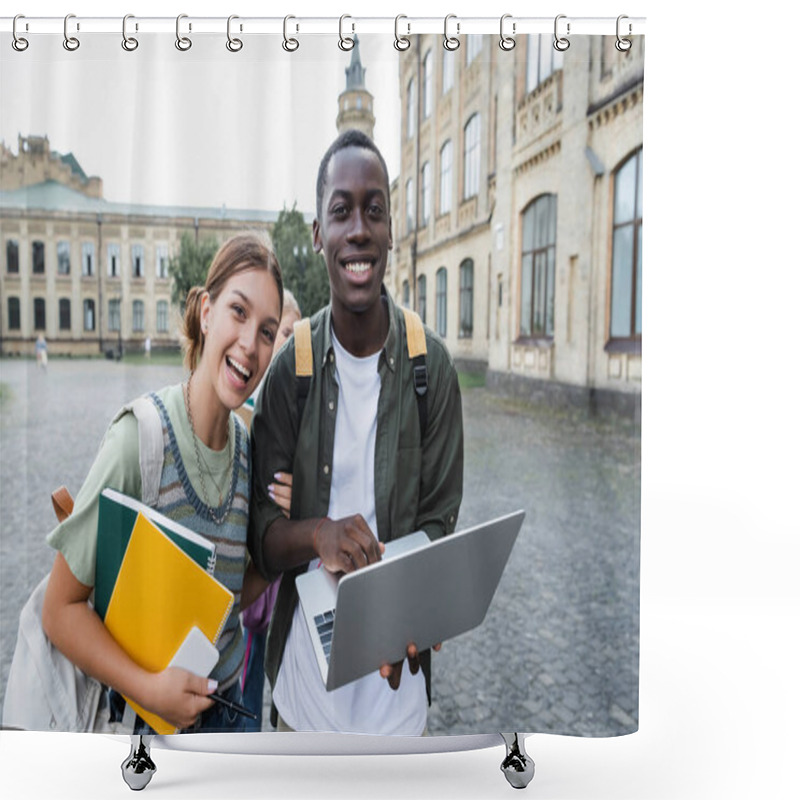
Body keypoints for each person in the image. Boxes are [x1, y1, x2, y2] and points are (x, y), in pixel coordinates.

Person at [248, 130, 464, 736]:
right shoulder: (291, 370)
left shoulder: (432, 369)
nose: (359, 229)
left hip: (396, 706)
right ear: (319, 234)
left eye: (375, 210)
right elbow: (262, 539)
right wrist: (319, 535)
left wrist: (421, 607)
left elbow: (439, 525)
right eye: (341, 210)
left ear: (392, 230)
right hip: (303, 701)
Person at [41, 232, 283, 733]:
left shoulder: (249, 451)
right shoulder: (138, 440)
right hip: (146, 729)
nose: (250, 344)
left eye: (266, 331)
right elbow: (60, 611)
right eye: (238, 312)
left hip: (233, 717)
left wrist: (291, 537)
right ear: (205, 311)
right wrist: (149, 689)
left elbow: (231, 591)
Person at [239, 289, 302, 732]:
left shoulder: (301, 410)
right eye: (281, 333)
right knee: (242, 681)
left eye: (296, 335)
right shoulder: (239, 411)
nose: (288, 344)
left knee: (274, 671)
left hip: (279, 582)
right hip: (244, 583)